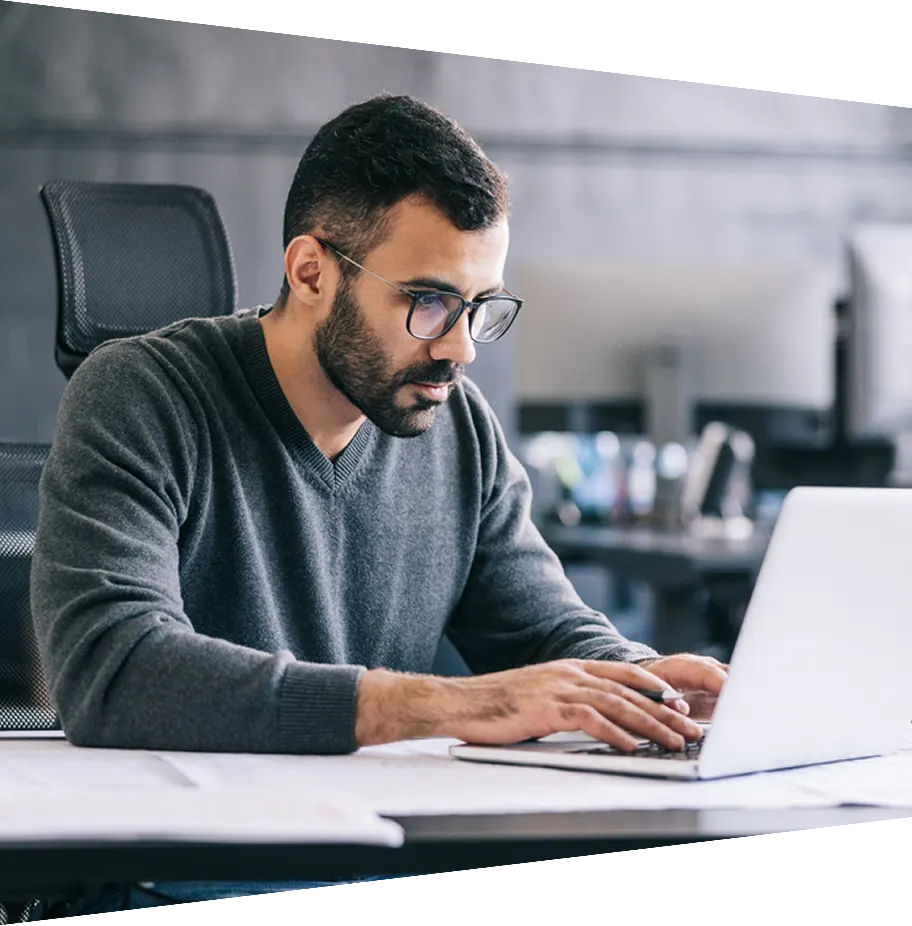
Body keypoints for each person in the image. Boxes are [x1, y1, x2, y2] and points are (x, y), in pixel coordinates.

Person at [31, 93, 725, 765]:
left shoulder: (461, 429)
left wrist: (652, 683)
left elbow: (543, 631)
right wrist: (449, 706)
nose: (462, 349)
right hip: (192, 859)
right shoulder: (142, 397)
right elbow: (113, 671)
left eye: (481, 306)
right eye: (429, 302)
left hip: (376, 849)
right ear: (311, 273)